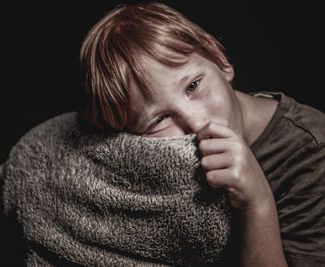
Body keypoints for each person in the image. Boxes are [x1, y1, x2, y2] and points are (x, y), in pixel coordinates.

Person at [78, 2, 325, 266]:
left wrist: (258, 204)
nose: (196, 124)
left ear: (219, 59)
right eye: (159, 120)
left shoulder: (312, 153)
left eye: (193, 86)